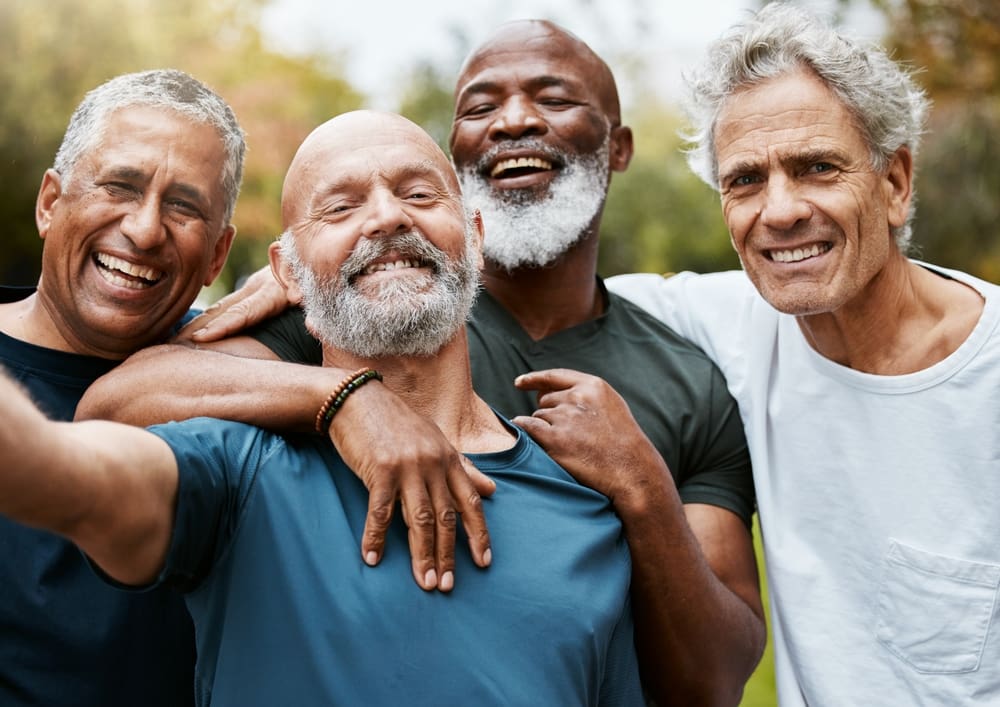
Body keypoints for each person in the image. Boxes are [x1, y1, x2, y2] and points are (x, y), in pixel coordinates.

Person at [79, 20, 766, 705]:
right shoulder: (358, 307)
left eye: (553, 98)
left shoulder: (686, 380)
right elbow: (126, 400)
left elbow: (712, 682)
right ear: (458, 156)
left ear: (618, 147)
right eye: (479, 107)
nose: (514, 120)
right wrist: (346, 394)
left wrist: (645, 489)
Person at [1, 110, 645, 706]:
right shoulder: (236, 463)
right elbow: (69, 461)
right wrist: (343, 399)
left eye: (420, 194)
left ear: (475, 239)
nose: (389, 218)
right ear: (286, 274)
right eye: (340, 207)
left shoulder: (587, 510)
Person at [604, 3, 1000, 704]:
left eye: (817, 167)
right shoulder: (725, 323)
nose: (779, 210)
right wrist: (343, 399)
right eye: (746, 180)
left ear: (896, 184)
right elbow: (514, 301)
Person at [0, 69, 245, 707]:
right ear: (50, 202)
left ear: (218, 256)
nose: (144, 229)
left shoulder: (248, 374)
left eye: (184, 205)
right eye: (120, 186)